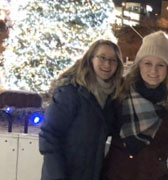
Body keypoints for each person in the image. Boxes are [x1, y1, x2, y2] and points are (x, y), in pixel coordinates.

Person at [39, 40, 124, 180]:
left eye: (113, 60)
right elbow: (49, 135)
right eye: (102, 57)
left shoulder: (110, 98)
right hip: (64, 174)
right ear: (90, 58)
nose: (107, 64)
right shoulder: (71, 93)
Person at [103, 31, 168, 180]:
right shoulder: (120, 91)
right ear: (139, 65)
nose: (154, 70)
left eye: (160, 65)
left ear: (167, 68)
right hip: (118, 173)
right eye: (148, 63)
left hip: (154, 175)